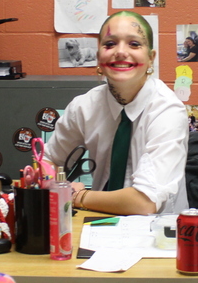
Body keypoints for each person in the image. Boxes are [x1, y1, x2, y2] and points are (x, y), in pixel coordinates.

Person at [45, 11, 189, 216]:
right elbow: (48, 159)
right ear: (98, 58)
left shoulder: (167, 111)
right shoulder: (84, 107)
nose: (120, 52)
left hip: (157, 233)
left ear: (151, 59)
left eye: (134, 44)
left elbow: (144, 203)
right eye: (110, 44)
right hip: (97, 223)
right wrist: (49, 181)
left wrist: (76, 196)